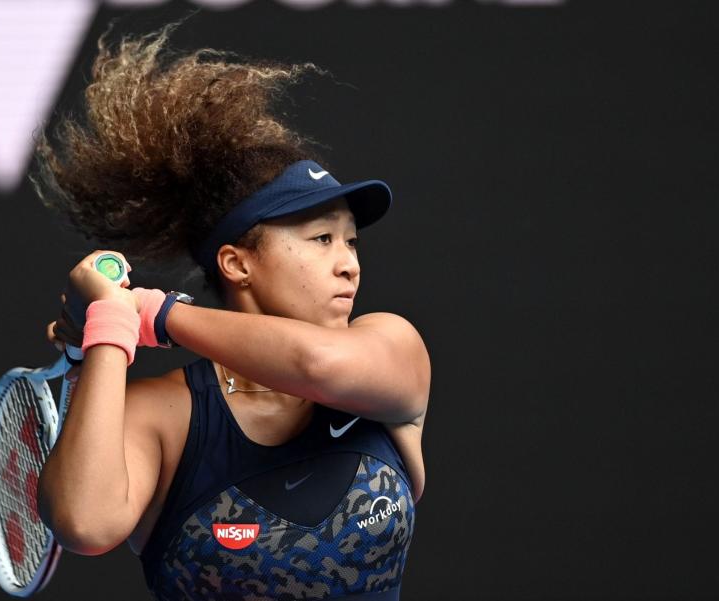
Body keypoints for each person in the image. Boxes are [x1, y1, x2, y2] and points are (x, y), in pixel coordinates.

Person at [35, 22, 431, 601]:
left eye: (352, 242)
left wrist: (151, 312)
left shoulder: (391, 348)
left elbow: (318, 364)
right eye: (322, 239)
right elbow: (85, 523)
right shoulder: (164, 413)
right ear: (237, 262)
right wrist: (108, 328)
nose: (350, 264)